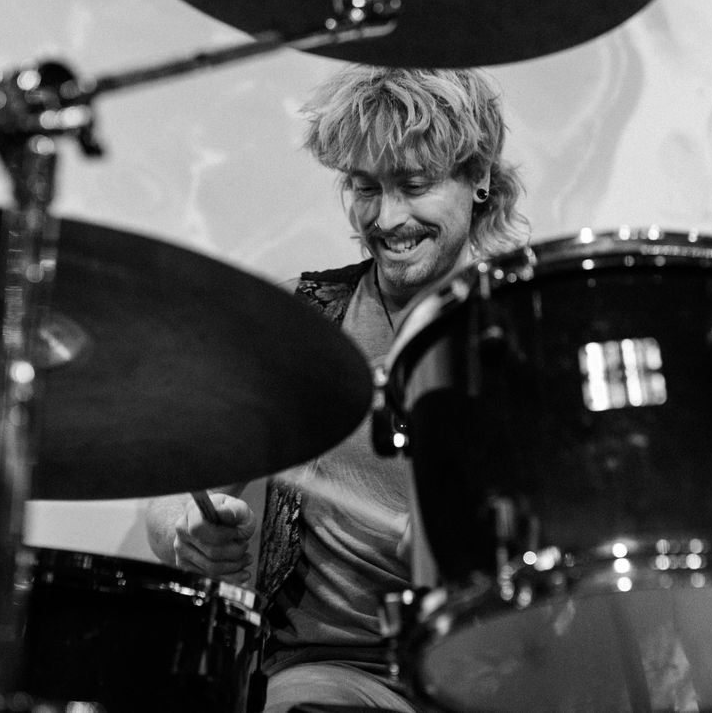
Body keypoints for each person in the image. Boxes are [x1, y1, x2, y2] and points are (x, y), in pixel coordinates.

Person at [144, 64, 527, 713]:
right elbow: (175, 493)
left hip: (505, 672)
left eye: (414, 185)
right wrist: (186, 533)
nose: (388, 218)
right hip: (335, 675)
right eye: (364, 187)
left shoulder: (531, 331)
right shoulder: (302, 324)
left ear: (479, 176)